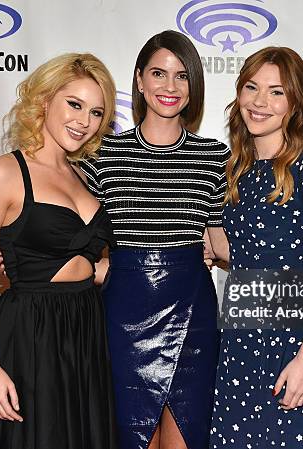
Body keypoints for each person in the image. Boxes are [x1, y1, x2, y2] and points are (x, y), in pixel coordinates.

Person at [78, 30, 230, 449]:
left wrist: (294, 261)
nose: (170, 86)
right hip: (122, 313)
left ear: (193, 86)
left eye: (182, 76)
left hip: (192, 315)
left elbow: (220, 241)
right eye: (159, 74)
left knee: (185, 438)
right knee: (131, 438)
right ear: (140, 81)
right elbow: (72, 230)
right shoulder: (103, 154)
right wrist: (25, 256)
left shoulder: (214, 157)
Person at [0, 53, 118, 449]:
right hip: (31, 332)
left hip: (86, 328)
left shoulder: (86, 176)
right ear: (45, 100)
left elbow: (94, 257)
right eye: (74, 104)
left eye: (96, 112)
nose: (84, 121)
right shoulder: (2, 172)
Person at [207, 47, 303, 448]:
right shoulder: (235, 171)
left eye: (276, 92)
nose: (259, 101)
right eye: (251, 88)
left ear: (295, 104)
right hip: (238, 341)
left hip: (292, 340)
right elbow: (235, 253)